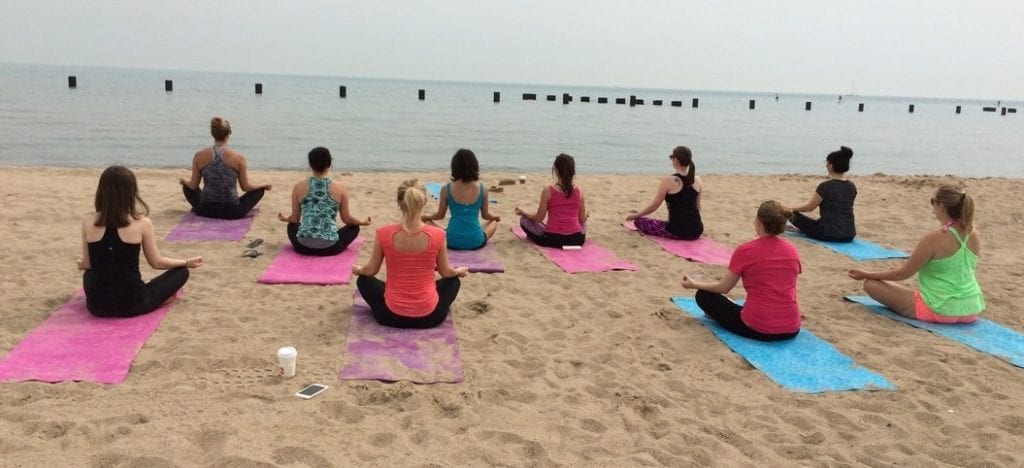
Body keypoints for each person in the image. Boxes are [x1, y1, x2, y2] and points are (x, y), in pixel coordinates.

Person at [79, 166, 203, 317]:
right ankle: (160, 298)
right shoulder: (142, 223)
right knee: (181, 273)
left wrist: (81, 263)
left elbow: (87, 264)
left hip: (98, 307)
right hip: (134, 304)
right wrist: (186, 262)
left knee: (89, 274)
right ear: (131, 192)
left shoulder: (87, 222)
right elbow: (156, 263)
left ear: (102, 192)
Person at [848, 185, 984, 323]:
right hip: (971, 308)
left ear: (942, 206)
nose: (932, 206)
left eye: (933, 201)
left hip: (940, 309)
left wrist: (866, 274)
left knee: (870, 284)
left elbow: (903, 274)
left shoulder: (934, 238)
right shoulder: (973, 234)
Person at [352, 180, 469, 329]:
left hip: (389, 316)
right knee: (454, 281)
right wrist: (457, 271)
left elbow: (370, 271)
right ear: (425, 202)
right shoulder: (439, 235)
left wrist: (358, 270)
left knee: (363, 280)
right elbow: (446, 272)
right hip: (430, 317)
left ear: (399, 202)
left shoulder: (383, 233)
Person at [680, 200, 802, 341]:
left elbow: (723, 287)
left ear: (759, 223)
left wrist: (694, 284)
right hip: (792, 327)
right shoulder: (792, 251)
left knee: (704, 296)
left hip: (758, 326)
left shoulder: (746, 250)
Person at [277, 147, 370, 256]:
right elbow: (347, 219)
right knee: (354, 227)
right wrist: (361, 222)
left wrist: (285, 219)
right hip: (331, 248)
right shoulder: (340, 188)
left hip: (302, 247)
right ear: (329, 164)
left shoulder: (298, 187)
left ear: (310, 164)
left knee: (291, 225)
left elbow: (295, 218)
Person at [180, 116, 272, 219]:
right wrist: (262, 185)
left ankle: (202, 206)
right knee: (259, 191)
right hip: (232, 211)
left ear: (212, 134)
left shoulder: (199, 156)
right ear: (228, 134)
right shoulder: (239, 158)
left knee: (186, 187)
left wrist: (184, 181)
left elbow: (192, 186)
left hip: (205, 209)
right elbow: (245, 187)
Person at [421, 149, 500, 250]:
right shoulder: (483, 189)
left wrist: (427, 217)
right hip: (476, 241)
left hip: (451, 241)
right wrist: (495, 217)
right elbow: (486, 215)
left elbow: (439, 215)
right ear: (475, 167)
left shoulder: (446, 189)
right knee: (493, 223)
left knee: (428, 222)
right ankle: (476, 233)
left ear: (454, 167)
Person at [626, 146, 704, 240]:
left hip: (678, 231)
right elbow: (698, 207)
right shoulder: (698, 180)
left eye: (672, 157)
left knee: (639, 222)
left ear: (676, 160)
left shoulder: (668, 181)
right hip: (697, 230)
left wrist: (636, 216)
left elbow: (654, 206)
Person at [515, 153, 588, 247]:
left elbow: (539, 218)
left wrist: (524, 213)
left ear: (556, 171)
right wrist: (585, 216)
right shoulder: (579, 191)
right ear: (573, 171)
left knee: (524, 220)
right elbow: (582, 220)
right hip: (576, 239)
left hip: (552, 239)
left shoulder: (548, 191)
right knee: (584, 223)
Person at [789, 146, 856, 242]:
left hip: (827, 234)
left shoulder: (825, 186)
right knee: (818, 222)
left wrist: (791, 209)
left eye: (827, 163)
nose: (826, 165)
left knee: (790, 214)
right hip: (849, 235)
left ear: (831, 166)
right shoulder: (851, 186)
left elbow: (809, 208)